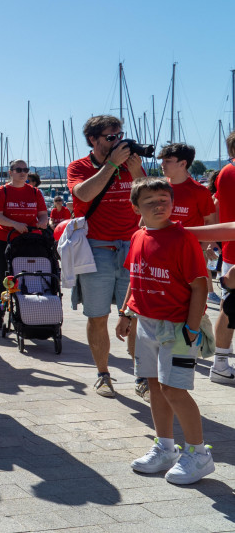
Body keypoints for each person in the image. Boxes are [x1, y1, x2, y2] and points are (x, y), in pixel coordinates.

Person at [115, 177, 215, 484]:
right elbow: (136, 275)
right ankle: (165, 446)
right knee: (154, 385)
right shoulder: (137, 236)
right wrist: (126, 312)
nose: (159, 206)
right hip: (145, 323)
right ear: (135, 208)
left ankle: (199, 454)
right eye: (150, 202)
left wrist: (192, 328)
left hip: (177, 327)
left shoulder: (182, 238)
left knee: (174, 389)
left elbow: (200, 286)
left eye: (164, 200)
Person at [67, 115, 143, 397]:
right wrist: (112, 164)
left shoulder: (130, 165)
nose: (117, 141)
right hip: (96, 249)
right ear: (93, 140)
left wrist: (136, 171)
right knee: (97, 316)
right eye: (111, 137)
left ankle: (141, 376)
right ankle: (103, 374)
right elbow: (84, 195)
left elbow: (148, 197)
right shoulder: (79, 167)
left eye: (119, 135)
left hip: (131, 249)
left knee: (134, 316)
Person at [0, 160, 48, 331]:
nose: (23, 173)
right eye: (18, 170)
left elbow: (43, 215)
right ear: (11, 172)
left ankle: (31, 312)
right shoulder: (3, 191)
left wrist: (43, 223)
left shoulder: (35, 192)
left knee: (30, 277)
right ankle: (0, 315)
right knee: (4, 280)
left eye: (25, 170)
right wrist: (15, 224)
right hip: (4, 240)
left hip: (29, 241)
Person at [206, 130, 235, 385]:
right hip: (232, 252)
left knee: (228, 308)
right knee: (228, 309)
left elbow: (215, 206)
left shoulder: (225, 173)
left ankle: (221, 364)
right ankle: (220, 365)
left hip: (230, 251)